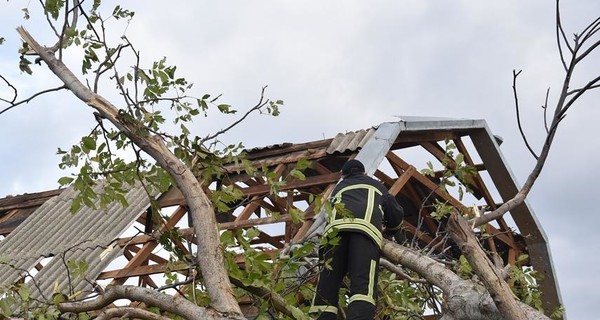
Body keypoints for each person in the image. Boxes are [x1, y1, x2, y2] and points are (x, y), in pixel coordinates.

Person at [309, 159, 404, 320]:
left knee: (326, 288)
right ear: (364, 173)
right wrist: (397, 234)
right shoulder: (377, 186)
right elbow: (395, 215)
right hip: (364, 235)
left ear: (343, 175)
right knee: (362, 287)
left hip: (333, 238)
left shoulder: (338, 189)